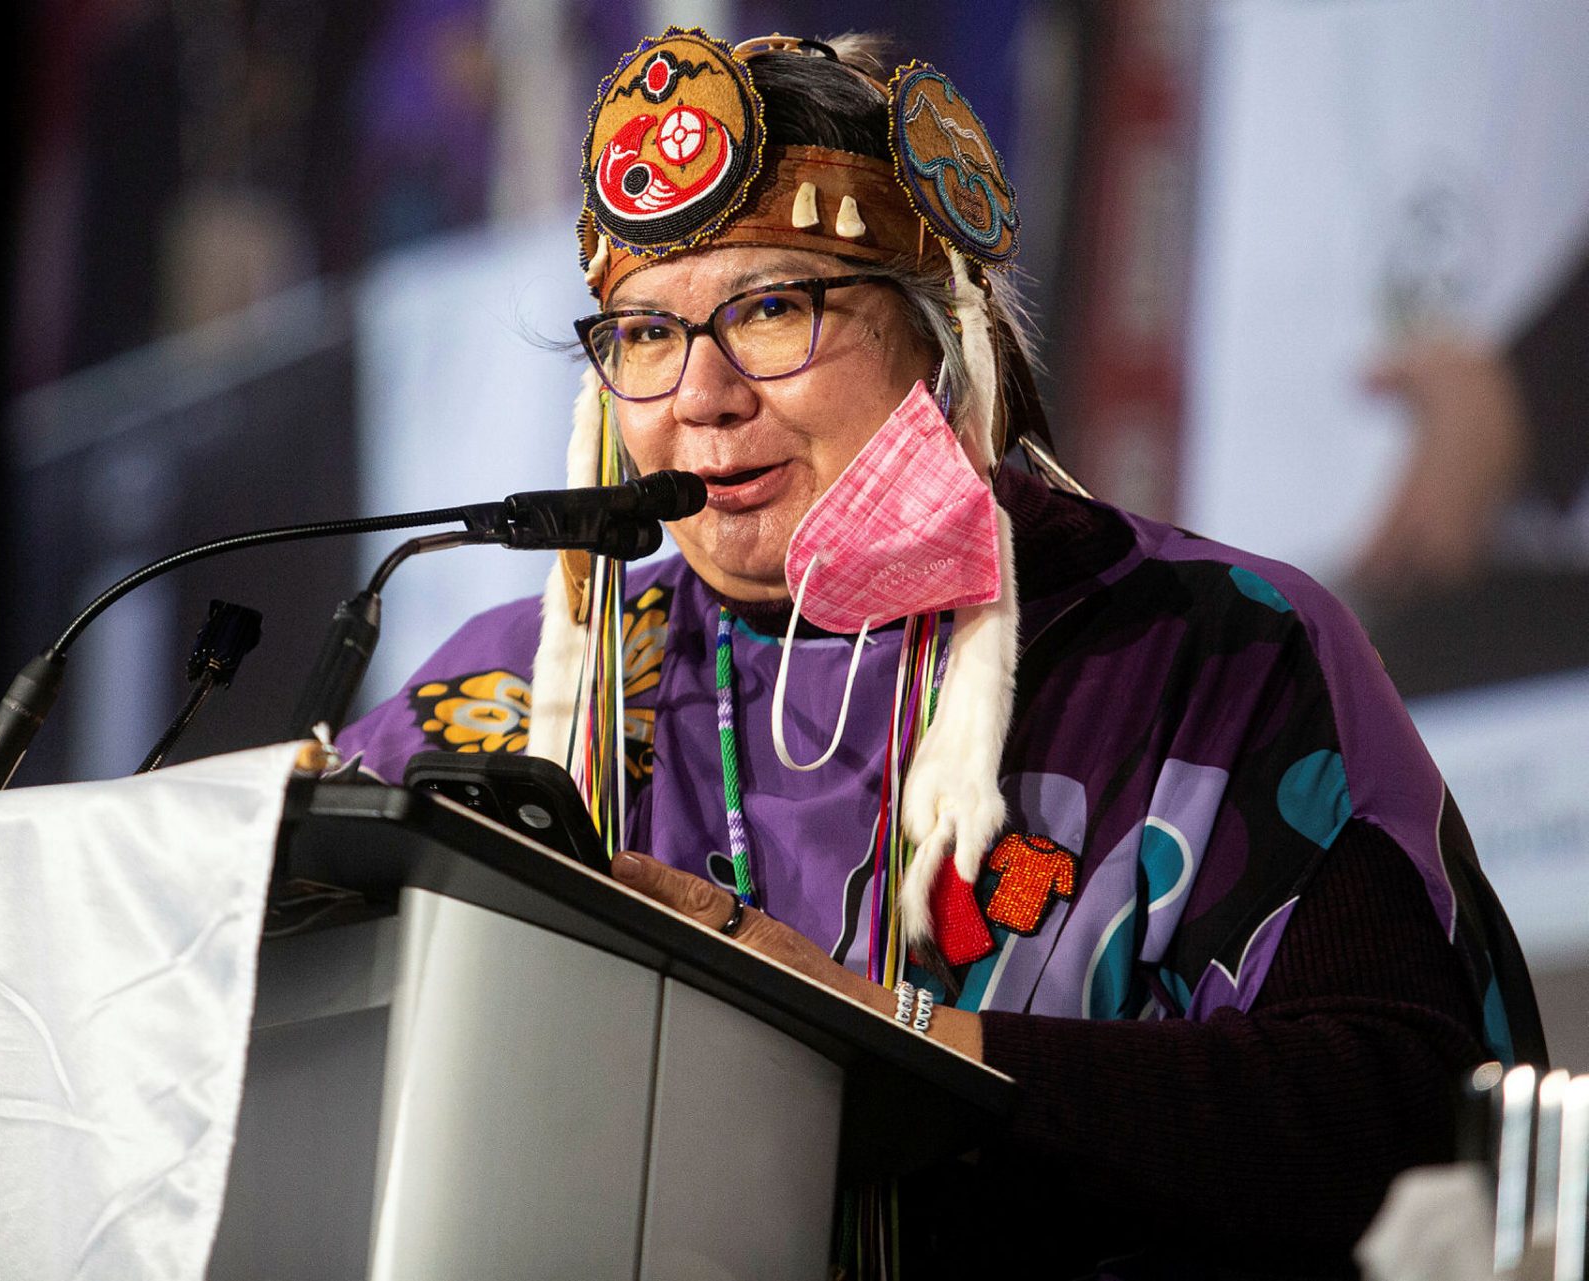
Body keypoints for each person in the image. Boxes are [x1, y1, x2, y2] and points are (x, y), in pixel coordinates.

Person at [338, 27, 1547, 1276]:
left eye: (771, 309)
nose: (700, 394)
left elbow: (1411, 1115)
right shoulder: (505, 699)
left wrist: (872, 1036)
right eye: (644, 333)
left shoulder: (1216, 650)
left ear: (942, 335)